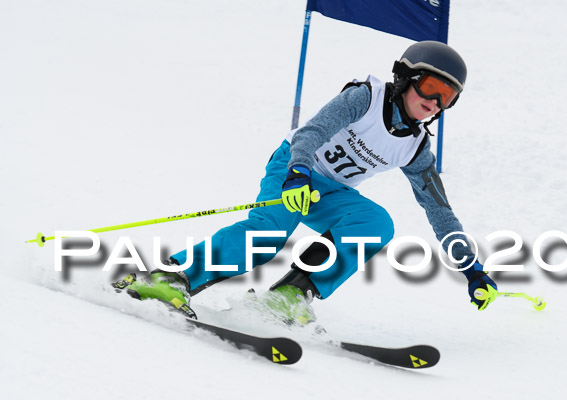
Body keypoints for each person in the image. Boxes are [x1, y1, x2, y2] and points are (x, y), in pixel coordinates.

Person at [116, 40, 498, 324]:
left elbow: (440, 212)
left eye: (448, 97)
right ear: (406, 79)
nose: (436, 102)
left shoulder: (416, 149)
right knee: (267, 236)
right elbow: (311, 133)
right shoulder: (366, 98)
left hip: (330, 191)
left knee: (376, 223)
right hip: (294, 168)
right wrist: (298, 172)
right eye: (432, 87)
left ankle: (288, 296)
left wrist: (472, 269)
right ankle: (171, 278)